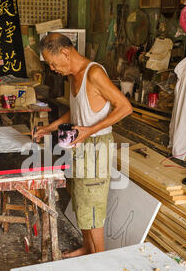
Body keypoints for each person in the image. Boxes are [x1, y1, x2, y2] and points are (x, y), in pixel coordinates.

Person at [34, 32, 133, 258]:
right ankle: (88, 249)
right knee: (82, 201)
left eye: (52, 62)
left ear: (66, 52)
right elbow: (76, 110)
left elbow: (125, 107)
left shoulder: (94, 73)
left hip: (97, 146)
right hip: (81, 145)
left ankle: (98, 261)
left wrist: (88, 130)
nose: (52, 68)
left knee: (93, 206)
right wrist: (50, 128)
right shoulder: (72, 75)